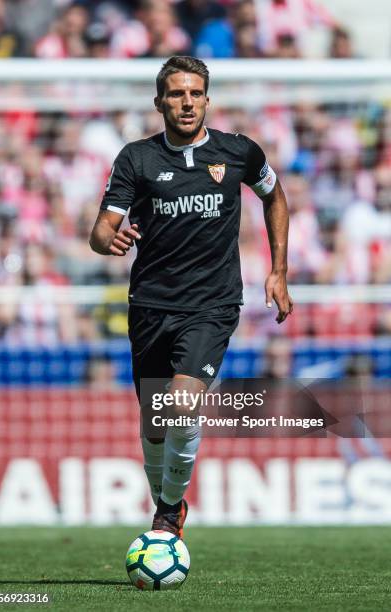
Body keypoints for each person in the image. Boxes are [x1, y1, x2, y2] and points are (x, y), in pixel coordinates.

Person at [89, 56, 293, 538]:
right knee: (156, 424)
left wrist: (278, 270)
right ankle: (166, 504)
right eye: (177, 94)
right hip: (151, 306)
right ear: (160, 101)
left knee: (181, 405)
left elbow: (275, 196)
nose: (187, 102)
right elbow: (101, 232)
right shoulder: (136, 159)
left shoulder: (238, 152)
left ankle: (168, 511)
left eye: (195, 93)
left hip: (212, 305)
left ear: (207, 99)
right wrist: (108, 241)